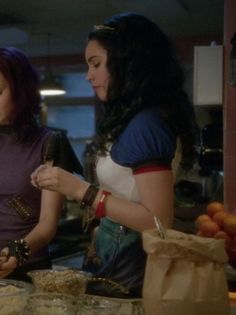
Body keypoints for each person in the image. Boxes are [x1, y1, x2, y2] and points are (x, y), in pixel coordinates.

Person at [31, 12, 199, 297]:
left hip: (134, 273)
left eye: (96, 64)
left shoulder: (147, 124)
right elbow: (125, 189)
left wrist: (80, 189)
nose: (88, 75)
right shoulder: (140, 119)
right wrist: (64, 181)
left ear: (127, 62)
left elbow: (157, 221)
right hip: (119, 267)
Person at [0, 47, 82, 281]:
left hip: (25, 269)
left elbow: (47, 225)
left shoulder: (49, 142)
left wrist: (16, 252)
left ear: (21, 91)